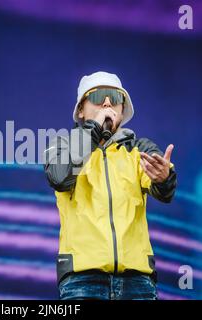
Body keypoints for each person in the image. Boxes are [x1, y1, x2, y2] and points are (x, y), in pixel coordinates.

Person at [44, 71, 177, 300]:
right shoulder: (63, 145)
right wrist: (93, 130)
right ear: (81, 110)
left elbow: (164, 192)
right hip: (82, 280)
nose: (107, 102)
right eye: (98, 96)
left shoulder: (139, 149)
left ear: (122, 110)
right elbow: (59, 177)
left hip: (137, 282)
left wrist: (163, 177)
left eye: (115, 97)